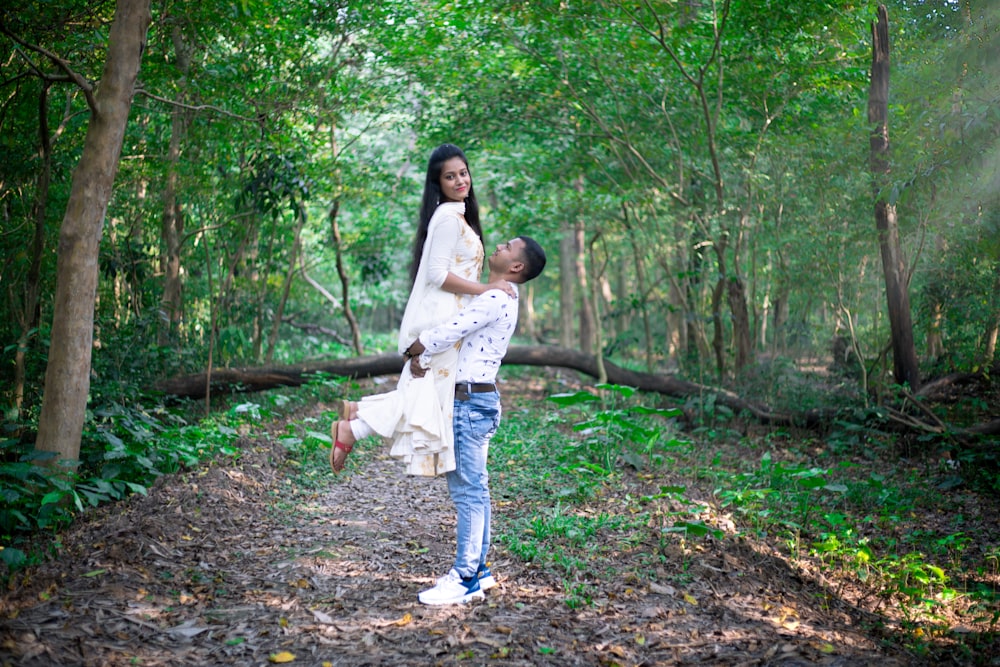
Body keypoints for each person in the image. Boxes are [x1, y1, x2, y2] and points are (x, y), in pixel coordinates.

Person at [330, 144, 514, 477]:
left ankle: (357, 417)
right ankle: (353, 426)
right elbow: (437, 275)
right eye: (450, 176)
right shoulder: (447, 218)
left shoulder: (457, 215)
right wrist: (487, 289)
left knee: (422, 392)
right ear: (438, 184)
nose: (460, 181)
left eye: (463, 173)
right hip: (442, 319)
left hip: (451, 319)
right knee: (423, 394)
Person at [403, 236, 547, 605]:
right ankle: (479, 571)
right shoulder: (499, 294)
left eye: (508, 246)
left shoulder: (498, 297)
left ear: (516, 267)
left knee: (468, 492)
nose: (498, 245)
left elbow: (454, 328)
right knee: (475, 490)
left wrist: (418, 345)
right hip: (476, 399)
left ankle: (464, 575)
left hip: (469, 402)